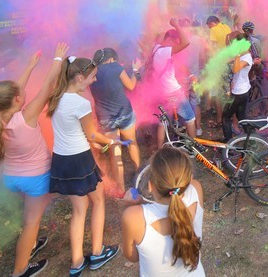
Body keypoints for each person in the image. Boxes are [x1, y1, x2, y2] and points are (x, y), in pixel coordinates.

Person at [0, 43, 68, 277]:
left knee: (29, 216)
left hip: (13, 178)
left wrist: (30, 66)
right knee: (31, 222)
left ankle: (31, 243)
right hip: (35, 179)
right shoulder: (25, 117)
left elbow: (10, 93)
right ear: (17, 100)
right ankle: (20, 271)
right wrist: (57, 59)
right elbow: (48, 85)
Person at [47, 56, 122, 275]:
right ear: (80, 77)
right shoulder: (81, 103)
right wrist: (111, 141)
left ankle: (76, 263)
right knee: (98, 202)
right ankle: (97, 253)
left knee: (79, 211)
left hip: (61, 159)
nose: (94, 80)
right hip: (79, 158)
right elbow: (91, 134)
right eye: (92, 76)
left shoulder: (55, 96)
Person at [121, 147, 204, 275]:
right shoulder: (196, 190)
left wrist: (134, 204)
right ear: (188, 179)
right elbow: (173, 203)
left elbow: (132, 257)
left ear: (150, 185)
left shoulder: (132, 217)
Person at [89, 47, 142, 195]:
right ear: (112, 59)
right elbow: (131, 86)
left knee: (114, 151)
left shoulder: (91, 72)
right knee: (132, 142)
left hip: (106, 118)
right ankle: (139, 174)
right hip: (124, 112)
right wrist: (136, 70)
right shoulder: (115, 67)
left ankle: (120, 188)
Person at [152, 21, 196, 149]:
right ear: (170, 39)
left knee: (162, 122)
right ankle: (192, 149)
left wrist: (189, 75)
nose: (177, 45)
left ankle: (159, 150)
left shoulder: (156, 49)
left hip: (161, 92)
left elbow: (176, 64)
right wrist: (176, 24)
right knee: (190, 118)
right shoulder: (164, 51)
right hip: (173, 91)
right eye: (175, 42)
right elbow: (186, 43)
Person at [222, 34, 253, 141]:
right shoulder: (244, 54)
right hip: (243, 90)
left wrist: (238, 53)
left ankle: (228, 144)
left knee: (225, 117)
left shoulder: (246, 57)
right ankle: (252, 140)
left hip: (239, 93)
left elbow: (235, 69)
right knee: (242, 117)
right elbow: (229, 60)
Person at [205, 16, 232, 129]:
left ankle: (220, 119)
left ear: (212, 23)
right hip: (229, 62)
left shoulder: (213, 30)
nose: (209, 28)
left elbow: (213, 47)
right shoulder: (227, 27)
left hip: (219, 64)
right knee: (228, 91)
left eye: (209, 26)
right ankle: (229, 117)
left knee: (217, 93)